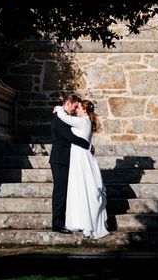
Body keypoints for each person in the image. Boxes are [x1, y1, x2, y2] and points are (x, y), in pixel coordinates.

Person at [54, 99, 109, 239]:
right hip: (78, 157)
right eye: (76, 107)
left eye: (78, 108)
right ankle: (81, 220)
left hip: (81, 158)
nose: (76, 110)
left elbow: (65, 117)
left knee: (84, 188)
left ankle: (86, 222)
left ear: (84, 110)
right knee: (80, 188)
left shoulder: (83, 121)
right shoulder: (84, 121)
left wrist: (58, 108)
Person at [49, 93, 90, 233]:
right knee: (60, 191)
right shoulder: (58, 119)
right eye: (74, 106)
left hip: (66, 159)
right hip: (59, 159)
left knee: (65, 190)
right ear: (67, 103)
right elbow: (71, 137)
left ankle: (64, 220)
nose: (74, 109)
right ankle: (57, 223)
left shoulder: (65, 117)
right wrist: (88, 146)